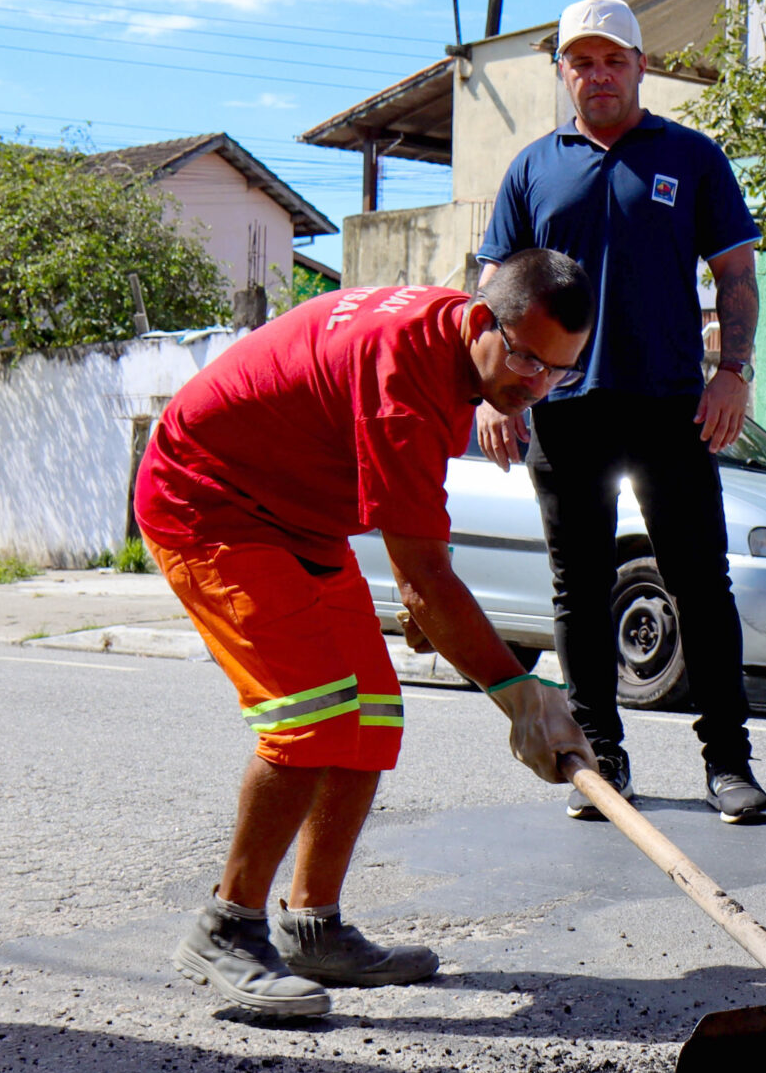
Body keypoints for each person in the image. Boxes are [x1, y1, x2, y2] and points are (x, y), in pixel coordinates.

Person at [135, 252, 597, 1019]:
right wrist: (518, 693)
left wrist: (434, 601)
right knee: (311, 715)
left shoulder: (455, 350)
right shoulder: (405, 380)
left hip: (302, 516)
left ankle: (313, 927)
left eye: (561, 370)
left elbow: (419, 536)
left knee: (373, 713)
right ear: (482, 319)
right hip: (210, 501)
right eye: (527, 359)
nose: (538, 385)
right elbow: (422, 577)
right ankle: (226, 927)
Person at [475, 0, 766, 825]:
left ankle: (728, 761)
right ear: (563, 72)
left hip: (674, 408)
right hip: (565, 409)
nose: (598, 74)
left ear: (641, 67)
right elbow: (492, 292)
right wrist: (494, 392)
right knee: (579, 589)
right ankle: (599, 754)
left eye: (613, 60)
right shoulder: (533, 169)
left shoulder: (692, 156)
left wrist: (733, 371)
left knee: (701, 586)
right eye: (582, 61)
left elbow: (736, 274)